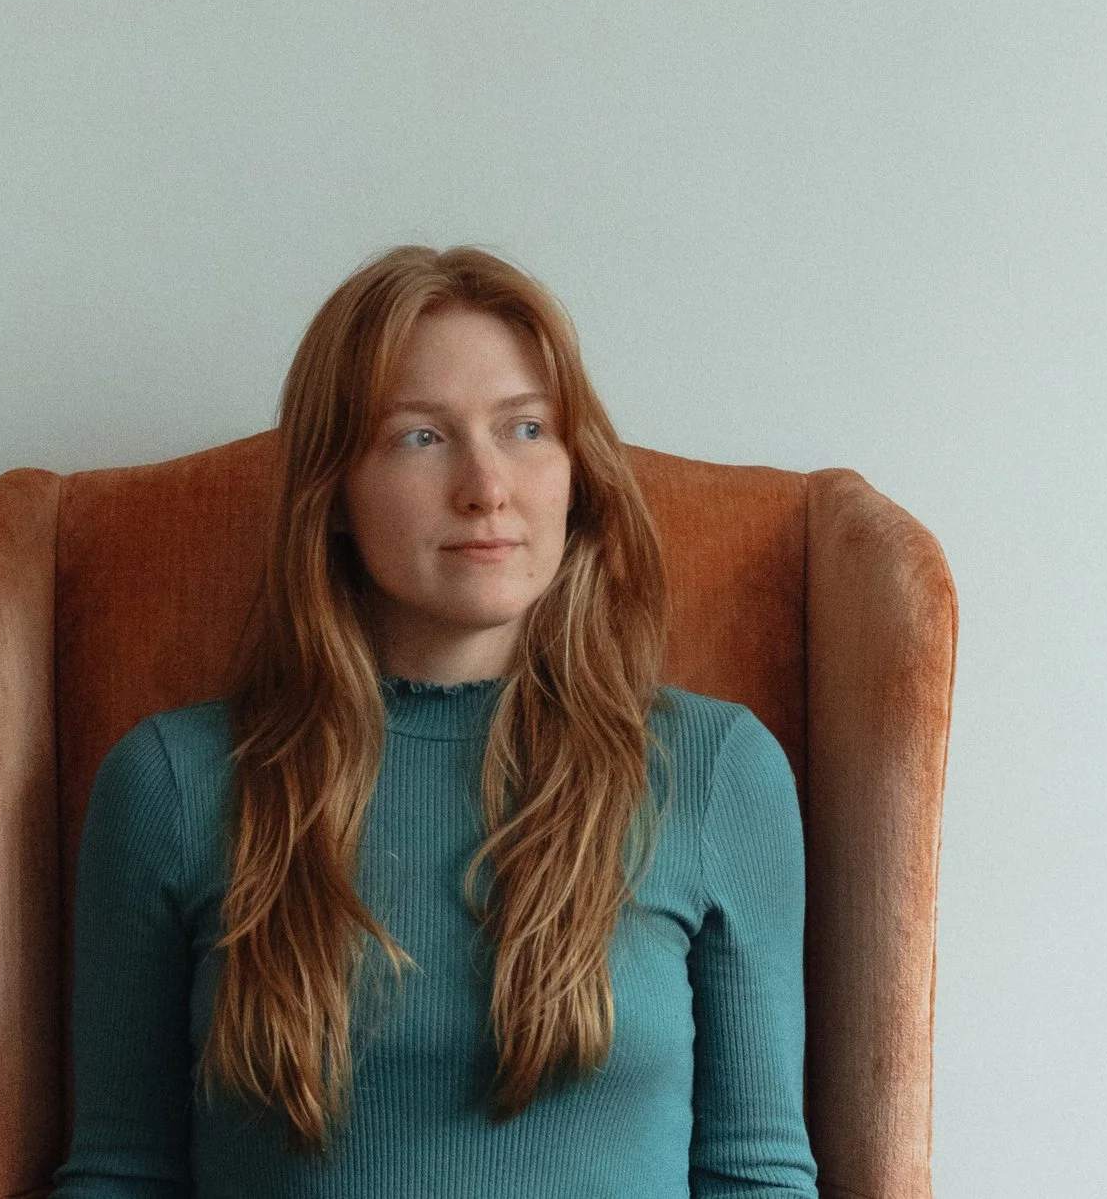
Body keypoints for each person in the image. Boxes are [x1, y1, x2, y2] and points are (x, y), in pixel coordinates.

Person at [52, 245, 818, 1198]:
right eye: (421, 437)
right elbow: (121, 1171)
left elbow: (757, 1173)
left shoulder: (713, 769)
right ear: (333, 492)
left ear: (578, 472)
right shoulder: (174, 780)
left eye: (527, 428)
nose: (487, 486)